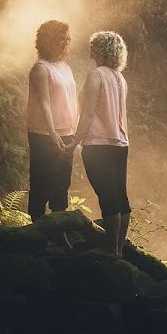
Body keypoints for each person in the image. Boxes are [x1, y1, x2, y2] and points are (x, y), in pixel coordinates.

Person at [65, 31, 130, 258]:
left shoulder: (96, 75)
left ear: (101, 50)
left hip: (98, 143)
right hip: (120, 142)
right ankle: (118, 249)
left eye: (93, 47)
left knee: (107, 194)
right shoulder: (119, 78)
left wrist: (74, 142)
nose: (90, 51)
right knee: (120, 194)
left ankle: (110, 249)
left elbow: (88, 113)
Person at [26, 20, 78, 221]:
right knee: (41, 181)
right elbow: (44, 103)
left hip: (67, 133)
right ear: (48, 40)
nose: (65, 42)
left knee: (62, 183)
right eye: (61, 38)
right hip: (43, 134)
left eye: (67, 38)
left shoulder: (65, 67)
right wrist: (52, 133)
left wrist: (76, 132)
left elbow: (72, 100)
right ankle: (37, 236)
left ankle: (59, 235)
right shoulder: (40, 69)